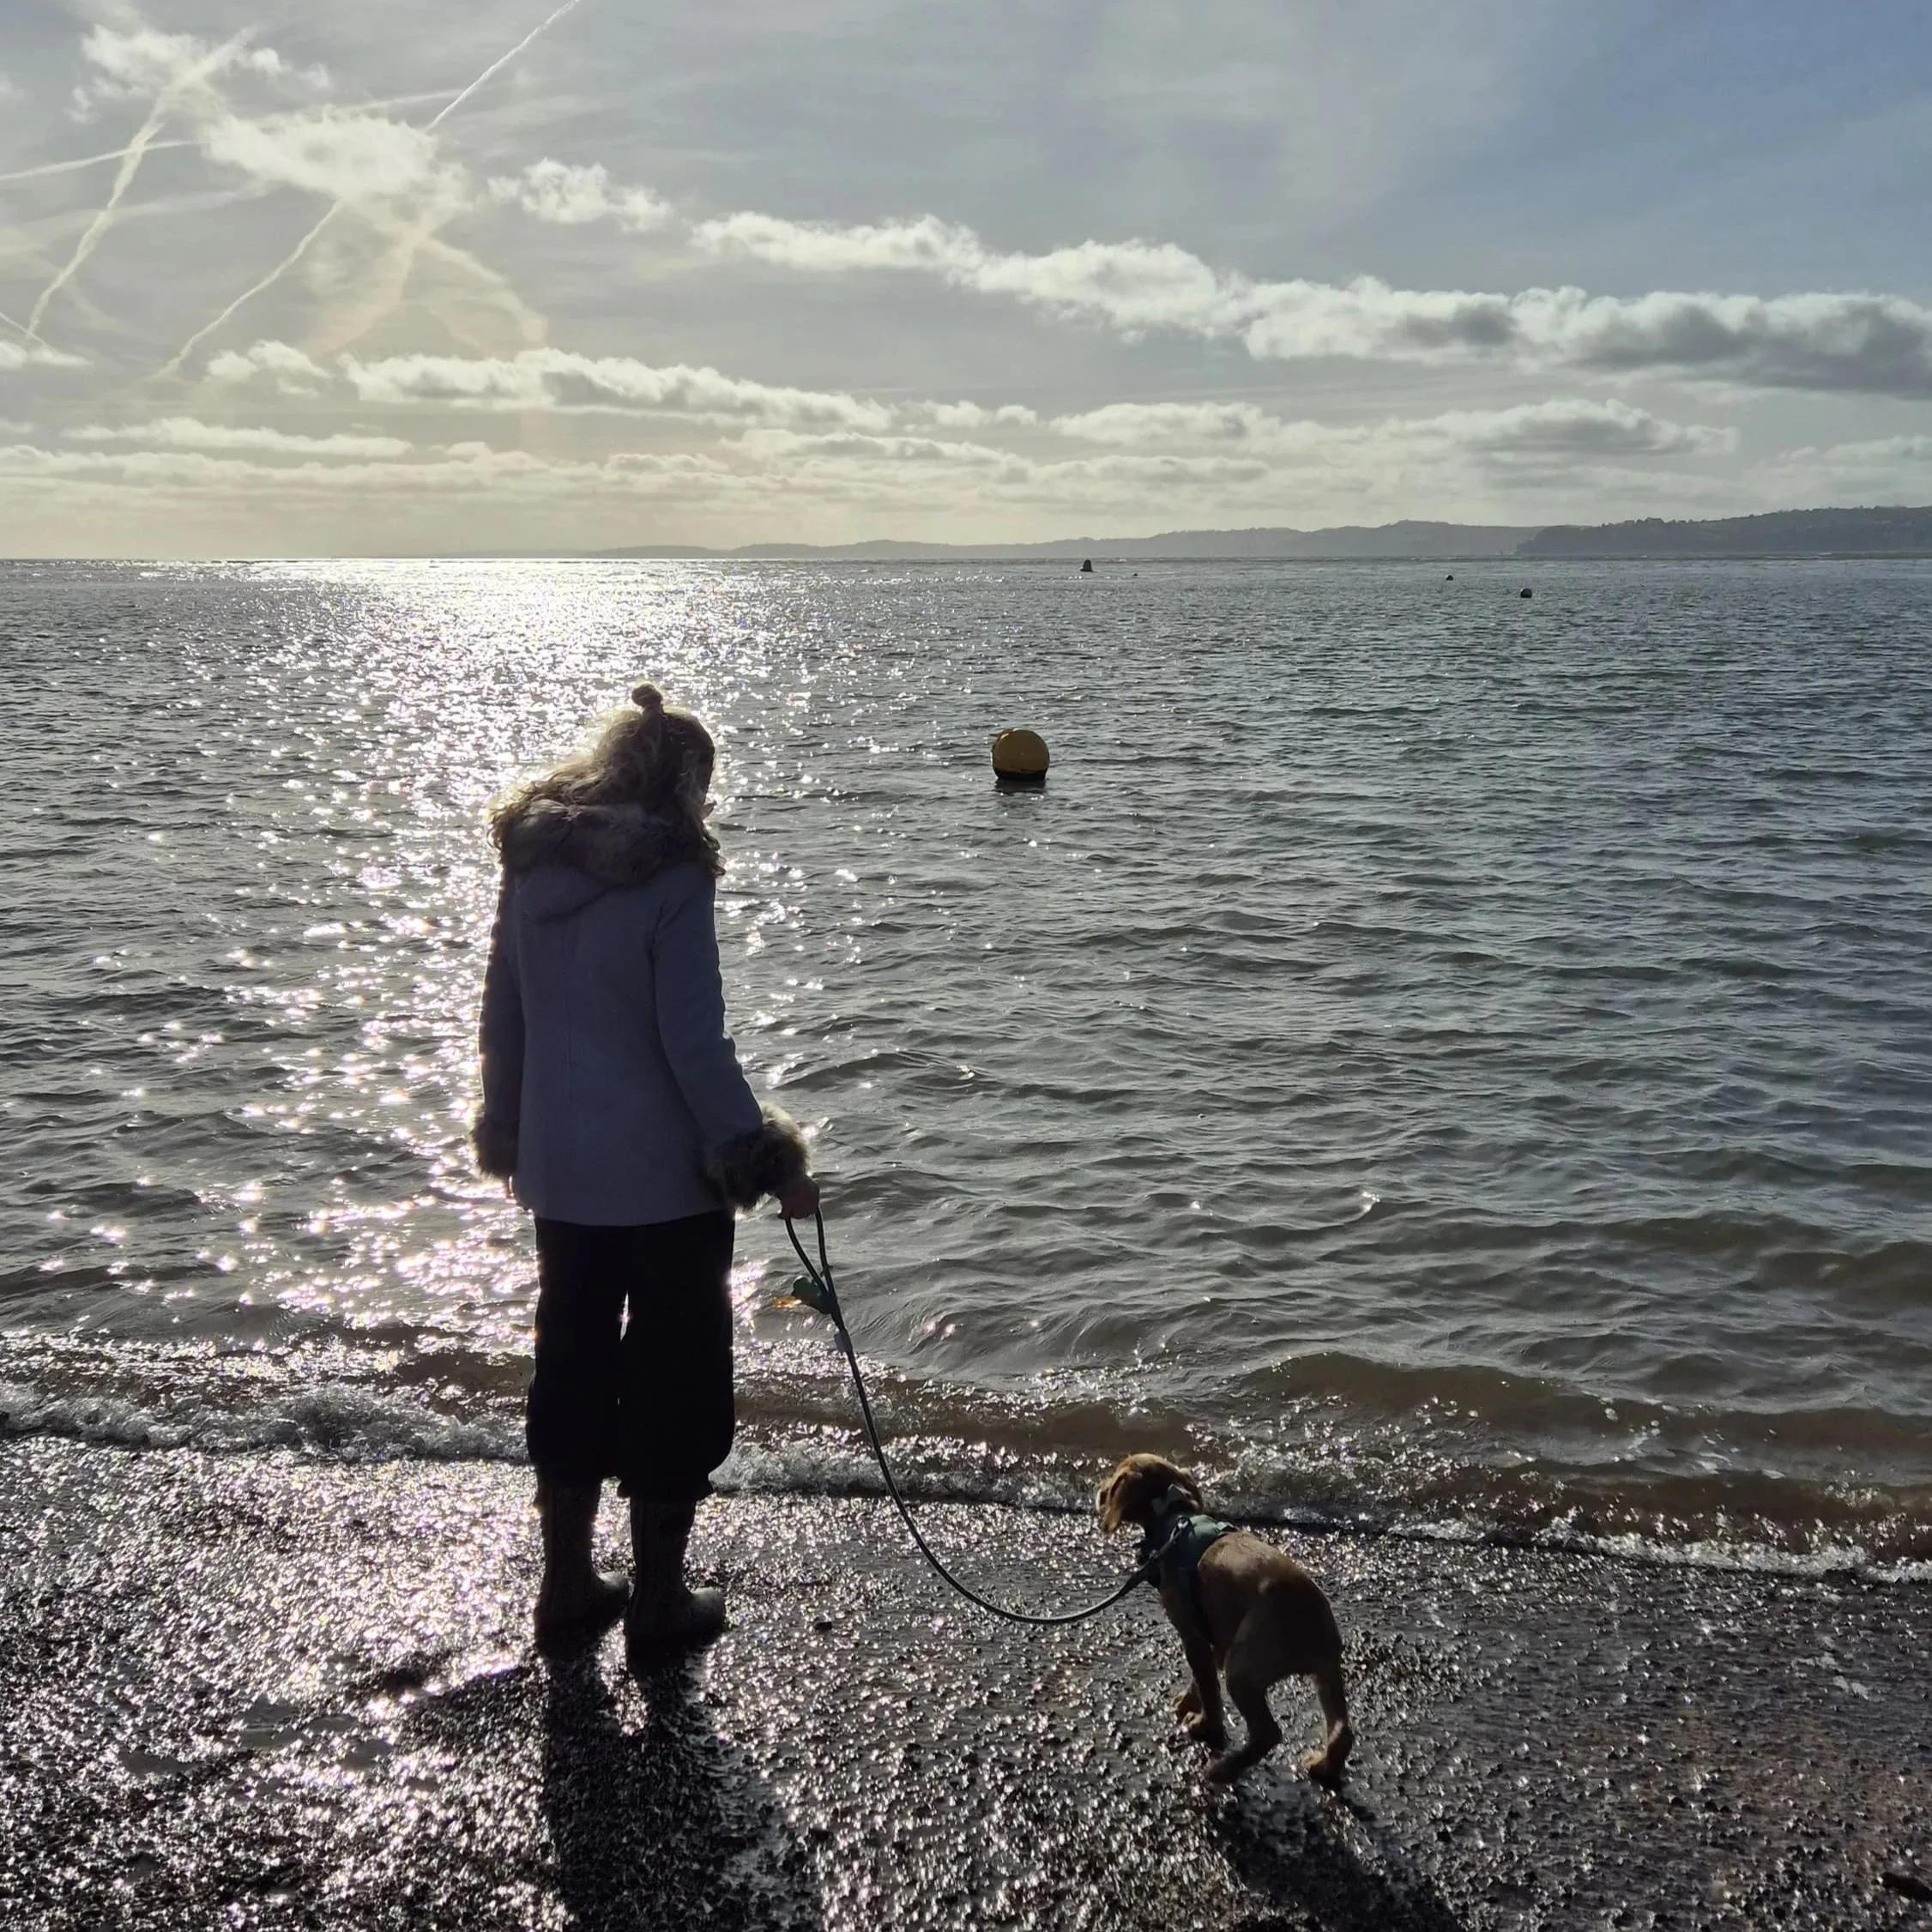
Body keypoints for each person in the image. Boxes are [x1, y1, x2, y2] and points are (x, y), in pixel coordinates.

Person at [472, 680, 819, 1661]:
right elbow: (691, 1044)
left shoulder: (531, 865)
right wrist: (767, 1159)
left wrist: (506, 1125)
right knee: (675, 1375)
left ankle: (566, 1582)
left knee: (571, 1365)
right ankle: (659, 1598)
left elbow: (502, 1013)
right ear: (684, 782)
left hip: (561, 1173)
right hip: (664, 1182)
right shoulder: (674, 879)